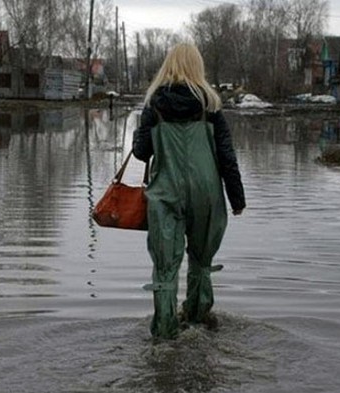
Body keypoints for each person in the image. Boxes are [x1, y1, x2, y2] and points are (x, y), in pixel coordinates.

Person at [132, 43, 246, 339]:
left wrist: (141, 129)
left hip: (165, 193)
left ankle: (165, 333)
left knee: (166, 267)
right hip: (206, 193)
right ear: (198, 67)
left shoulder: (153, 105)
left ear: (167, 67)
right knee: (201, 261)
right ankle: (198, 320)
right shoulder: (211, 106)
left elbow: (141, 152)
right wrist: (237, 199)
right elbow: (226, 157)